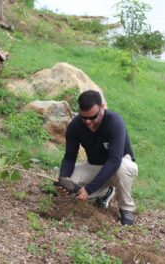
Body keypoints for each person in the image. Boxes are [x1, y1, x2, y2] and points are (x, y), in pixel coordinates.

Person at [57, 90, 138, 226]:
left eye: (93, 117)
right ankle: (104, 193)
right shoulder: (75, 126)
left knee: (121, 168)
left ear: (102, 107)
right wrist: (63, 179)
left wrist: (89, 189)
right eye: (84, 118)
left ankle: (126, 209)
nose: (88, 122)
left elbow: (114, 160)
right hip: (94, 166)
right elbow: (69, 157)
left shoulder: (115, 122)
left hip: (120, 165)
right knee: (68, 186)